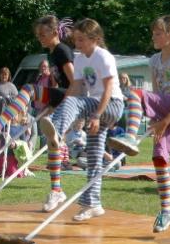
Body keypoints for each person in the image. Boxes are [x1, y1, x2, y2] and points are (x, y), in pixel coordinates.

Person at [109, 15, 170, 233]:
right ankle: (166, 212)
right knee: (159, 158)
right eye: (153, 33)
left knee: (135, 94)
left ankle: (130, 136)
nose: (153, 37)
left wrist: (165, 121)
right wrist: (158, 122)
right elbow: (157, 94)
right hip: (166, 109)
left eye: (158, 33)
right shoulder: (154, 60)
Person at [39, 18, 124, 221]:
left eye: (81, 40)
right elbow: (75, 88)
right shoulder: (80, 59)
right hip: (95, 107)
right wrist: (62, 114)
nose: (77, 44)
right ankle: (93, 204)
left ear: (94, 38)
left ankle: (56, 132)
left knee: (74, 103)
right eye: (76, 40)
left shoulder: (103, 57)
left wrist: (95, 115)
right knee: (94, 157)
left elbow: (109, 89)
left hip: (111, 104)